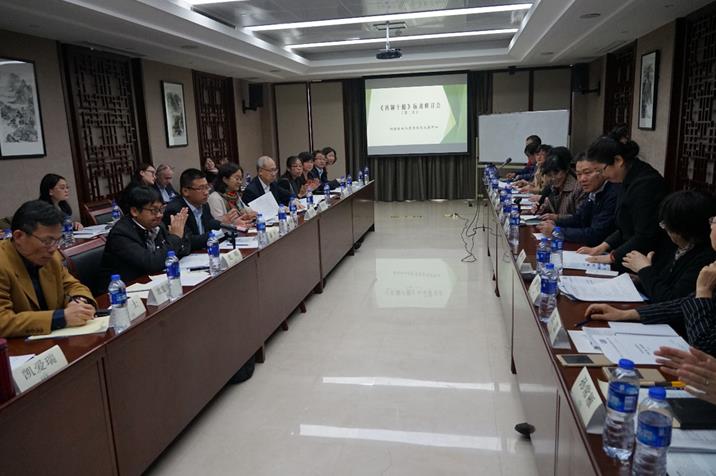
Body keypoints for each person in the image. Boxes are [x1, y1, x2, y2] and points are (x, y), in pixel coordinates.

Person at [584, 215, 716, 355]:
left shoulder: (704, 258)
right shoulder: (674, 247)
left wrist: (703, 292)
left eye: (714, 221)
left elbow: (704, 348)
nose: (711, 226)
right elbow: (682, 303)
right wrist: (624, 314)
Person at [0, 200, 96, 337]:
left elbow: (72, 285)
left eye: (58, 240)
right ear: (19, 236)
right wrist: (61, 318)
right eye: (47, 241)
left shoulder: (51, 257)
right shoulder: (3, 263)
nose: (53, 248)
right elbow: (2, 320)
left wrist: (79, 302)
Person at [577, 137, 667, 269]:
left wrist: (612, 257)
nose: (602, 175)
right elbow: (625, 225)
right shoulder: (625, 177)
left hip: (648, 259)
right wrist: (601, 247)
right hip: (629, 253)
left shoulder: (646, 184)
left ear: (618, 160)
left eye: (601, 170)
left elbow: (644, 235)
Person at [620, 190, 716, 302]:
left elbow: (670, 300)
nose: (665, 228)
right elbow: (662, 285)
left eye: (667, 224)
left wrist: (644, 270)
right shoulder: (672, 246)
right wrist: (641, 279)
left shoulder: (705, 259)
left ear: (684, 229)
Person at [100, 186, 191, 289]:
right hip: (120, 291)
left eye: (161, 209)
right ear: (135, 211)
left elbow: (182, 250)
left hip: (149, 282)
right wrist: (175, 237)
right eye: (154, 210)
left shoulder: (157, 225)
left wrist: (179, 236)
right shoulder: (121, 233)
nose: (160, 215)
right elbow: (152, 263)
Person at [537, 152, 619, 246]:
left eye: (587, 173)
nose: (582, 179)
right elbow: (579, 218)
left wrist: (556, 231)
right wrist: (556, 223)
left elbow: (596, 234)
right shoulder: (593, 191)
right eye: (579, 174)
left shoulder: (613, 193)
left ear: (603, 170)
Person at [163, 168, 232, 251]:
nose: (206, 192)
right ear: (185, 191)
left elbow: (210, 224)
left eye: (207, 187)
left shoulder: (204, 205)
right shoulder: (175, 210)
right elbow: (188, 241)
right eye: (200, 188)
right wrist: (221, 232)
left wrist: (228, 225)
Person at [534, 147, 586, 216]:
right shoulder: (552, 188)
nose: (553, 178)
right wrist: (543, 209)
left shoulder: (578, 189)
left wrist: (557, 217)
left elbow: (580, 218)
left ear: (566, 170)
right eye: (549, 175)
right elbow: (553, 209)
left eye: (556, 173)